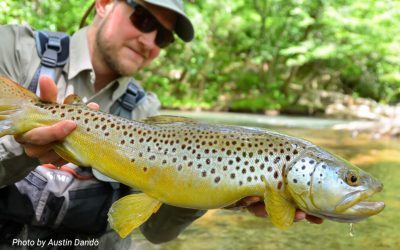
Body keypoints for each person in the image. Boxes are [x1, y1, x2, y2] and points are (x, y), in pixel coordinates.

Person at [0, 0, 322, 248]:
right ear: (103, 4)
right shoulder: (14, 49)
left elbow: (156, 232)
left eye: (164, 37)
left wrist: (213, 189)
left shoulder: (146, 110)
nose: (150, 41)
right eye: (143, 19)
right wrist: (22, 146)